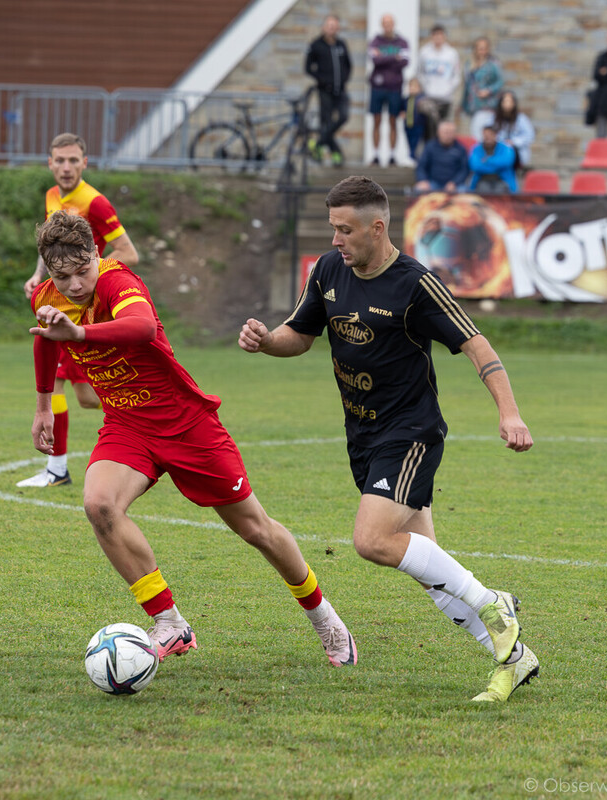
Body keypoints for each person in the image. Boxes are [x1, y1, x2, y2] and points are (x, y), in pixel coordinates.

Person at [239, 175, 538, 702]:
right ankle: (514, 658)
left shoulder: (415, 284)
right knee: (430, 566)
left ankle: (495, 604)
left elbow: (476, 343)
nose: (335, 240)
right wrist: (266, 341)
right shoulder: (330, 270)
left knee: (372, 541)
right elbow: (300, 335)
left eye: (345, 230)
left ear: (377, 228)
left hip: (411, 433)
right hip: (363, 434)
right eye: (333, 229)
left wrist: (509, 413)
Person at [28, 210, 357, 667]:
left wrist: (79, 331)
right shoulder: (47, 298)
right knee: (99, 504)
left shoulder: (118, 283)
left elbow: (141, 327)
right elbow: (45, 340)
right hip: (125, 425)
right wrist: (45, 406)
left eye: (83, 271)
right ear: (48, 269)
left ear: (97, 256)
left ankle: (324, 617)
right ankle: (170, 623)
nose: (76, 285)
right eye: (63, 277)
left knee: (255, 529)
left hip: (185, 424)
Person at [18, 132, 140, 489]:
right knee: (86, 397)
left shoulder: (95, 203)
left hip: (86, 315)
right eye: (60, 160)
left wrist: (86, 281)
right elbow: (51, 249)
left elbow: (129, 253)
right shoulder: (52, 197)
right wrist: (40, 276)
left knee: (64, 387)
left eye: (74, 160)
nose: (67, 167)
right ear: (50, 163)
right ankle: (140, 415)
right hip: (64, 310)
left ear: (85, 164)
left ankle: (57, 469)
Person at [305, 14, 352, 167]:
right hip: (325, 90)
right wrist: (321, 79)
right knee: (326, 122)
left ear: (337, 28)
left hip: (340, 90)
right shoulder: (316, 45)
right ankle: (336, 154)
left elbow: (348, 65)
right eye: (329, 25)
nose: (332, 28)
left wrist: (344, 79)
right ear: (324, 27)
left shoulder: (341, 44)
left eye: (334, 26)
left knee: (343, 116)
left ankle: (317, 143)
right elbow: (308, 68)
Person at [366, 13, 409, 166]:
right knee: (376, 121)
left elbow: (404, 62)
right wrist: (393, 58)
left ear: (394, 24)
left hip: (395, 88)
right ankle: (376, 155)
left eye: (390, 23)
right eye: (385, 23)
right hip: (377, 87)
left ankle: (392, 155)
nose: (388, 26)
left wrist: (383, 58)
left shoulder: (402, 41)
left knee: (393, 121)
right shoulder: (376, 41)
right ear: (381, 25)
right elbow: (375, 60)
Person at [470, 90, 535, 169]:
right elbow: (487, 133)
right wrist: (497, 141)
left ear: (514, 104)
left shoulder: (521, 119)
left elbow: (529, 135)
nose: (507, 104)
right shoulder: (493, 118)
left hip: (515, 152)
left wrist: (514, 142)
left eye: (510, 101)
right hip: (496, 149)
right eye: (505, 101)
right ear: (500, 103)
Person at [416, 24, 460, 138]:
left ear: (444, 36)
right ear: (432, 36)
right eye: (435, 35)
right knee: (429, 129)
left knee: (444, 129)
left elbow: (456, 75)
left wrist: (449, 89)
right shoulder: (424, 52)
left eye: (440, 35)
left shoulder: (452, 53)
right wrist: (426, 87)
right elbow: (420, 72)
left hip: (445, 98)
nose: (438, 38)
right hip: (429, 97)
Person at [414, 120, 469, 192]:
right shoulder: (430, 147)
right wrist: (423, 180)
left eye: (451, 133)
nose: (448, 135)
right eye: (446, 132)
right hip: (433, 183)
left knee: (464, 191)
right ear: (438, 133)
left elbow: (464, 169)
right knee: (419, 189)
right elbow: (421, 166)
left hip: (455, 185)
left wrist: (454, 182)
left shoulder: (461, 149)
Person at [461, 37, 503, 123]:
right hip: (472, 106)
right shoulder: (468, 64)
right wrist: (463, 105)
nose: (482, 51)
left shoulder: (493, 64)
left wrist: (489, 90)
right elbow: (467, 85)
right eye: (480, 48)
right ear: (475, 49)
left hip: (487, 105)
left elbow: (500, 82)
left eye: (484, 48)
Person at [468, 126, 518, 193]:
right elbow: (475, 166)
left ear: (495, 135)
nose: (487, 137)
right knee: (483, 191)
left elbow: (506, 162)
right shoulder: (476, 149)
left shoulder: (505, 148)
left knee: (500, 193)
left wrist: (487, 160)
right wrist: (497, 167)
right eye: (485, 135)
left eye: (490, 134)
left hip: (502, 180)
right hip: (482, 180)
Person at [402, 77, 429, 161]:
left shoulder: (422, 99)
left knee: (417, 143)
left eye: (414, 87)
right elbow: (403, 109)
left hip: (418, 124)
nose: (412, 89)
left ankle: (413, 157)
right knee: (410, 141)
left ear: (419, 88)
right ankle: (412, 157)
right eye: (410, 87)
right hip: (408, 124)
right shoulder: (406, 99)